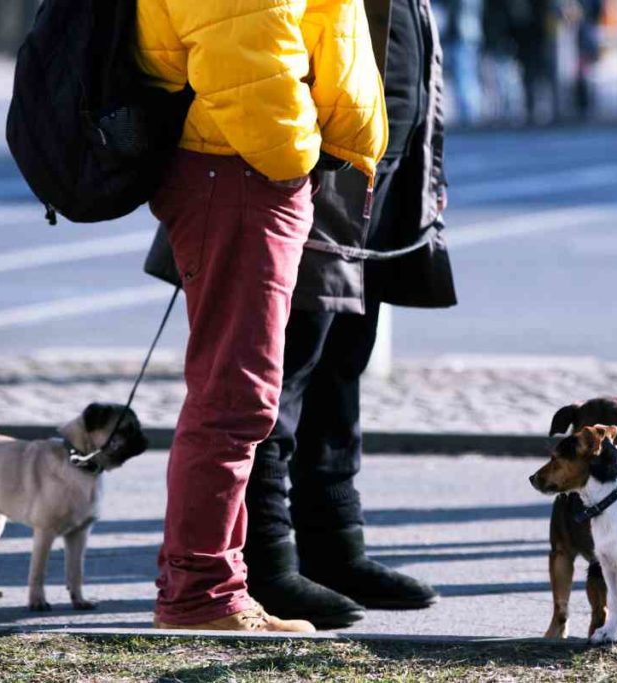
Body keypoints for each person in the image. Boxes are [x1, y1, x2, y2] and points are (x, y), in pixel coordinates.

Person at [136, 0, 388, 632]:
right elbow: (244, 56)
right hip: (243, 170)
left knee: (238, 393)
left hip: (244, 168)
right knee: (235, 395)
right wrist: (293, 160)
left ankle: (218, 586)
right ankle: (200, 596)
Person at [242, 0, 458, 628]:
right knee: (287, 363)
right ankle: (268, 560)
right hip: (317, 137)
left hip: (377, 133)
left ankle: (334, 546)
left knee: (343, 356)